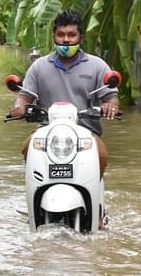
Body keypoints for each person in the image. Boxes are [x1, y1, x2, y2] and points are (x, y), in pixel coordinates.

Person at [8, 9, 120, 173]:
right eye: (61, 34)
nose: (66, 39)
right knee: (28, 147)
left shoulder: (98, 66)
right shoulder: (39, 66)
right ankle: (35, 193)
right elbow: (25, 96)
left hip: (86, 133)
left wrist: (110, 106)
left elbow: (112, 97)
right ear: (54, 36)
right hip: (46, 131)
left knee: (101, 155)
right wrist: (19, 107)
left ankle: (94, 195)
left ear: (81, 38)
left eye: (71, 35)